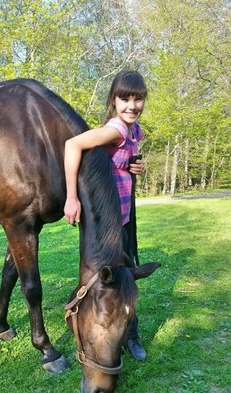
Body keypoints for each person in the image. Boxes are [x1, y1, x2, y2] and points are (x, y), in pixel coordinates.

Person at [64, 70, 147, 361]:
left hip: (123, 215)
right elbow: (71, 145)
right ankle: (125, 334)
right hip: (106, 221)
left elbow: (117, 163)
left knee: (126, 273)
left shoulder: (135, 130)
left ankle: (128, 333)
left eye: (138, 99)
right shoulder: (117, 129)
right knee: (120, 277)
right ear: (114, 100)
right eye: (125, 98)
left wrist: (134, 167)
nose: (132, 105)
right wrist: (72, 197)